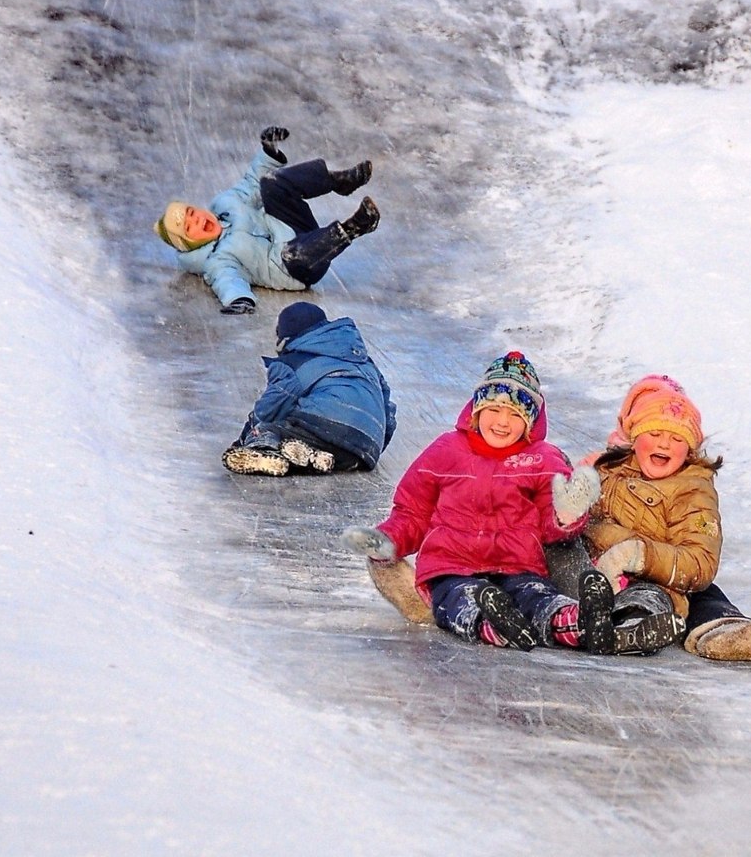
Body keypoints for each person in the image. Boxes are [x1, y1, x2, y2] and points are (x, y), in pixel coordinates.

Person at [339, 352, 616, 653]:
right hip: (453, 567)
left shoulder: (543, 459)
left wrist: (566, 513)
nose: (502, 422)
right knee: (462, 598)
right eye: (494, 409)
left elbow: (551, 530)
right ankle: (490, 623)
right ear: (476, 409)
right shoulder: (445, 451)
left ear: (530, 423)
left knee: (537, 596)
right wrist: (388, 539)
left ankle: (575, 622)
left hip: (517, 566)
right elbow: (414, 512)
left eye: (515, 415)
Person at [576, 374, 751, 661]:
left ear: (691, 447)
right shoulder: (606, 469)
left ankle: (705, 629)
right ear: (634, 434)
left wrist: (639, 556)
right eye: (655, 433)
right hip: (592, 576)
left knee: (685, 593)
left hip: (655, 581)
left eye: (676, 437)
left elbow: (700, 560)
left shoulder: (692, 488)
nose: (665, 444)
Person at [153, 126, 379, 314]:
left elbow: (252, 182)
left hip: (292, 227)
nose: (198, 221)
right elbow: (228, 281)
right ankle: (356, 226)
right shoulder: (217, 259)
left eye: (193, 214)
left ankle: (339, 181)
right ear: (190, 243)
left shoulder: (226, 205)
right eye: (190, 228)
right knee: (293, 253)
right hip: (295, 267)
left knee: (270, 184)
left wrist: (268, 151)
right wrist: (238, 300)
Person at [221, 301, 397, 477]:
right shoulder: (365, 362)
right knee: (305, 443)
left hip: (324, 423)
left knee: (268, 429)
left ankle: (262, 448)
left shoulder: (293, 362)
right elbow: (388, 412)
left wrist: (245, 437)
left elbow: (270, 408)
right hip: (366, 446)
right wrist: (373, 445)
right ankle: (315, 458)